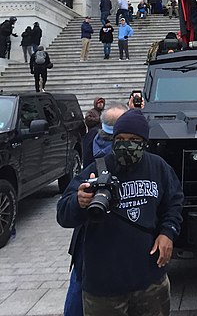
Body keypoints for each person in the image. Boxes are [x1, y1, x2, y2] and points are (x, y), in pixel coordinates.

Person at [57, 109, 184, 316]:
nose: (126, 144)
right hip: (104, 287)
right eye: (121, 138)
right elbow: (63, 214)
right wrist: (78, 202)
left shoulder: (158, 167)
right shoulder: (96, 169)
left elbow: (174, 202)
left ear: (144, 142)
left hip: (149, 281)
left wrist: (167, 232)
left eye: (134, 139)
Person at [64, 103, 128, 316]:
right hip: (103, 232)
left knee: (80, 282)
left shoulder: (90, 139)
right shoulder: (118, 156)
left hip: (87, 231)